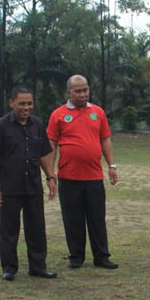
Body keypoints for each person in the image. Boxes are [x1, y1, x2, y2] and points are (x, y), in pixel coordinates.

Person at [0, 87, 58, 281]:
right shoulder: (1, 126)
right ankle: (9, 268)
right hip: (9, 187)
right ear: (12, 103)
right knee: (9, 230)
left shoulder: (38, 124)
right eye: (22, 103)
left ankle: (38, 267)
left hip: (33, 186)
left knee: (37, 229)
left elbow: (43, 154)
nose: (26, 107)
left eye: (30, 103)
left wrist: (50, 177)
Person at [47, 75, 119, 270]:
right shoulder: (58, 115)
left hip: (94, 177)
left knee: (97, 218)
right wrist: (50, 173)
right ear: (69, 93)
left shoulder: (98, 113)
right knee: (73, 219)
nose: (82, 94)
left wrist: (112, 166)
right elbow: (51, 144)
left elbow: (105, 139)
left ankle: (102, 256)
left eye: (85, 90)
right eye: (77, 91)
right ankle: (76, 256)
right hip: (69, 177)